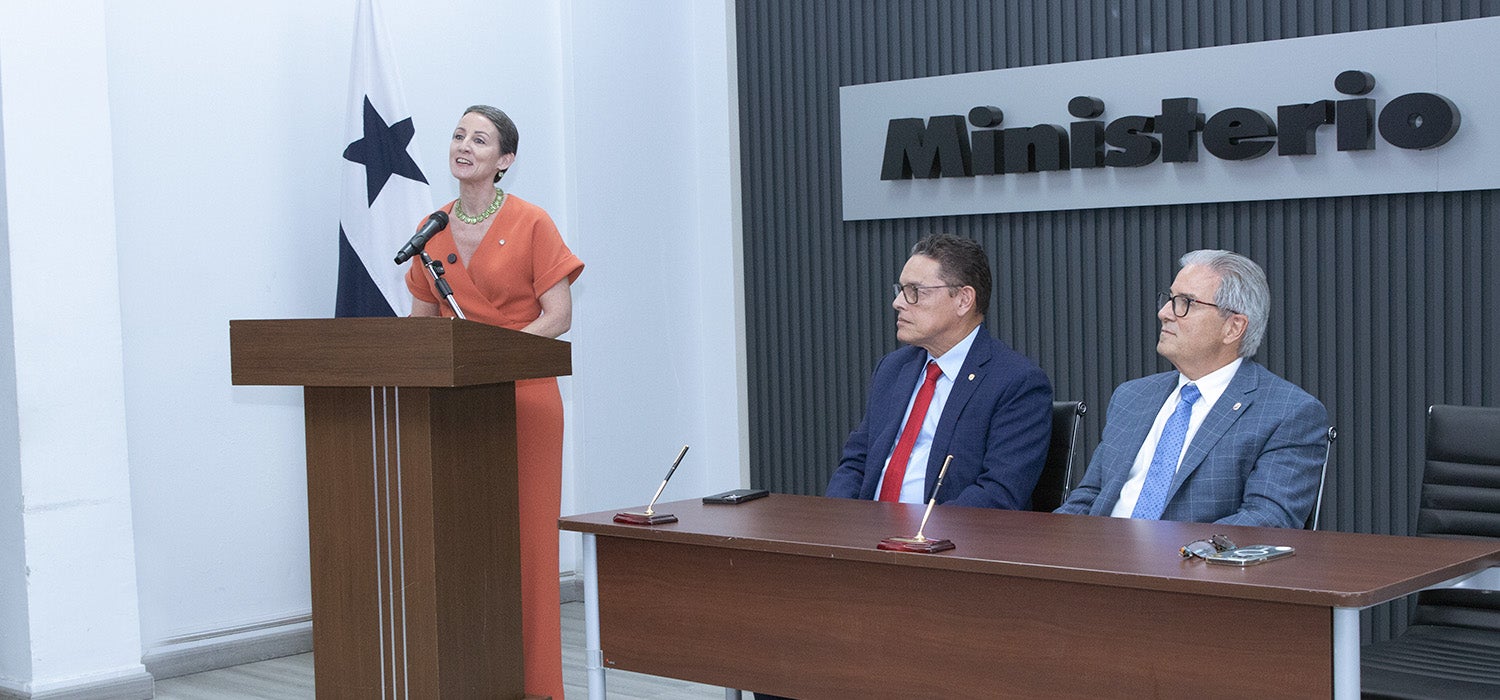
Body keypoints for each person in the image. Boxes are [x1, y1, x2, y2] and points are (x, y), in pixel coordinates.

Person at [406, 104, 582, 700]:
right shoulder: (431, 227)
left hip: (525, 399)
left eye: (479, 139)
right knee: (462, 543)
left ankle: (538, 689)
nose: (464, 145)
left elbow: (557, 317)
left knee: (529, 549)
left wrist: (495, 356)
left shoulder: (532, 222)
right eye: (458, 134)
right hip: (458, 406)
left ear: (503, 160)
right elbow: (422, 328)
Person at [1055, 250, 1328, 528]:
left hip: (1191, 566)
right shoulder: (1132, 397)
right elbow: (1089, 498)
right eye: (1170, 299)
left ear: (1233, 327)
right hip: (1098, 558)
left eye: (1185, 302)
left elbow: (1267, 520)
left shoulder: (1287, 413)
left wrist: (1165, 556)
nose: (1164, 313)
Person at [825, 234, 1052, 509]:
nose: (898, 302)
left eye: (915, 291)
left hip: (942, 542)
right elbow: (856, 463)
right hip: (868, 537)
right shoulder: (893, 369)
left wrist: (920, 536)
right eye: (900, 289)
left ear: (963, 300)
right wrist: (837, 522)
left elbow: (998, 494)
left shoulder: (1016, 383)